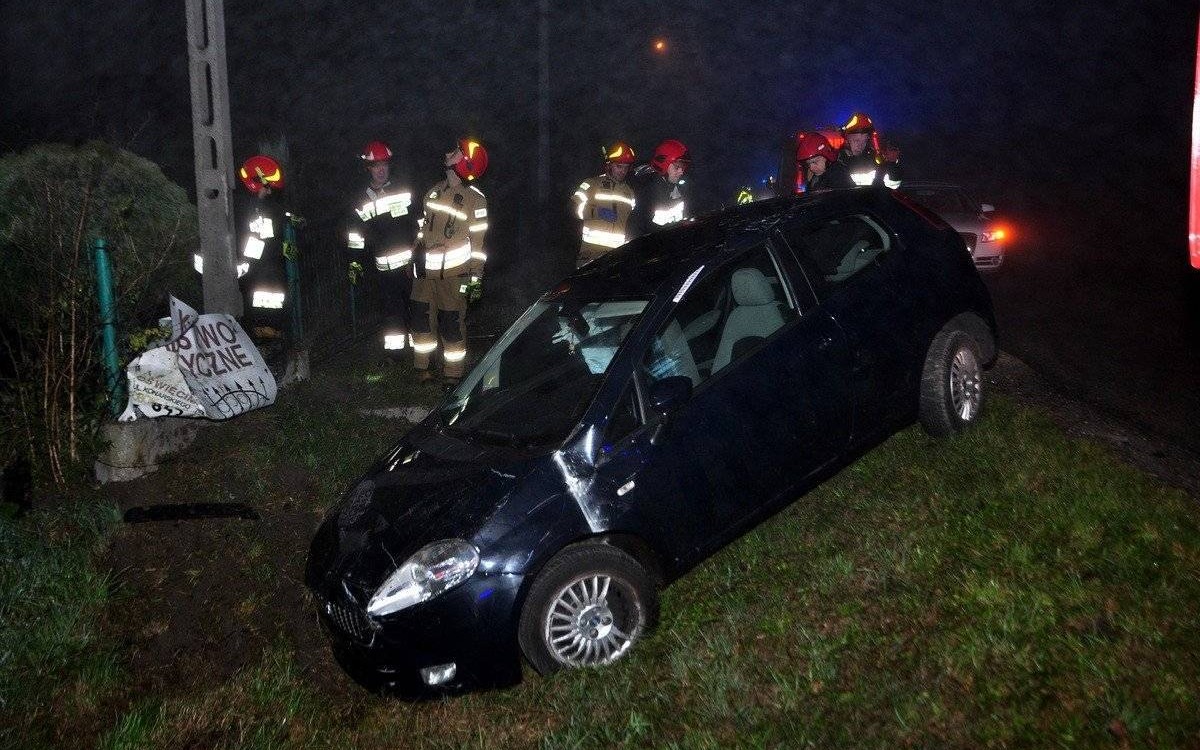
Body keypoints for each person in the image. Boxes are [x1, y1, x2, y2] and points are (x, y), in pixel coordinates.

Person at [410, 139, 489, 383]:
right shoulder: (432, 191)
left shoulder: (475, 200)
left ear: (464, 164)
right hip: (424, 274)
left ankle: (452, 375)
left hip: (456, 276)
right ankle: (422, 368)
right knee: (421, 321)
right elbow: (423, 229)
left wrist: (475, 279)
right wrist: (415, 256)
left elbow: (478, 244)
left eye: (455, 152)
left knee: (451, 325)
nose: (448, 152)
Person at [347, 140, 416, 357]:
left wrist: (420, 251)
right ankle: (395, 356)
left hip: (410, 264)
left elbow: (420, 222)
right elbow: (356, 235)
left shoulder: (404, 190)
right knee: (391, 312)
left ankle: (420, 352)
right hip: (383, 269)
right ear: (368, 169)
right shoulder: (361, 200)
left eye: (384, 165)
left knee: (416, 307)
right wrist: (355, 261)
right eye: (376, 166)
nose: (381, 170)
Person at [234, 155, 288, 341]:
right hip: (255, 272)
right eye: (268, 187)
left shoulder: (259, 205)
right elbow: (251, 241)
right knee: (256, 309)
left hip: (263, 271)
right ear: (256, 182)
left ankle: (268, 334)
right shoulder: (243, 206)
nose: (270, 192)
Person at [573, 142, 637, 267]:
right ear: (609, 165)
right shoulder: (591, 184)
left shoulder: (630, 193)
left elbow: (632, 223)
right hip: (590, 254)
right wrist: (597, 212)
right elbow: (573, 209)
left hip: (617, 256)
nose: (623, 171)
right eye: (619, 166)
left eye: (626, 167)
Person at [630, 139, 693, 236]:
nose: (681, 172)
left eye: (683, 168)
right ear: (663, 164)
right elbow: (639, 228)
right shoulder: (646, 190)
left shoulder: (678, 190)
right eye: (677, 167)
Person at [836, 111, 902, 189]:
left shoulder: (876, 159)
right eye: (856, 140)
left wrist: (891, 164)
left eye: (864, 141)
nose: (861, 145)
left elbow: (894, 186)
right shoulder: (837, 162)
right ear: (847, 140)